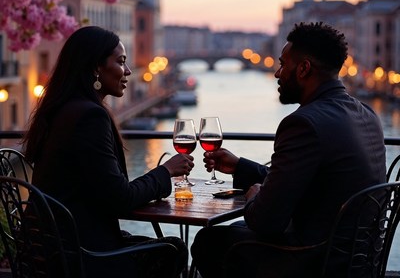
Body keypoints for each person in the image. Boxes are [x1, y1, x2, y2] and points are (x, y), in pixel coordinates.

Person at [191, 22, 386, 277]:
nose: (277, 73)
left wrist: (254, 196)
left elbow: (266, 222)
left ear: (304, 69)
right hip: (360, 260)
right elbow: (303, 182)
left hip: (314, 262)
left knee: (209, 241)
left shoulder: (304, 122)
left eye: (283, 64)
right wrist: (241, 167)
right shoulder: (366, 114)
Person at [22, 26, 194, 278]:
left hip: (45, 247)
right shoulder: (90, 116)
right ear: (95, 68)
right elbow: (120, 199)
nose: (128, 71)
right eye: (121, 62)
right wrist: (166, 172)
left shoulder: (61, 109)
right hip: (79, 257)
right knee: (172, 248)